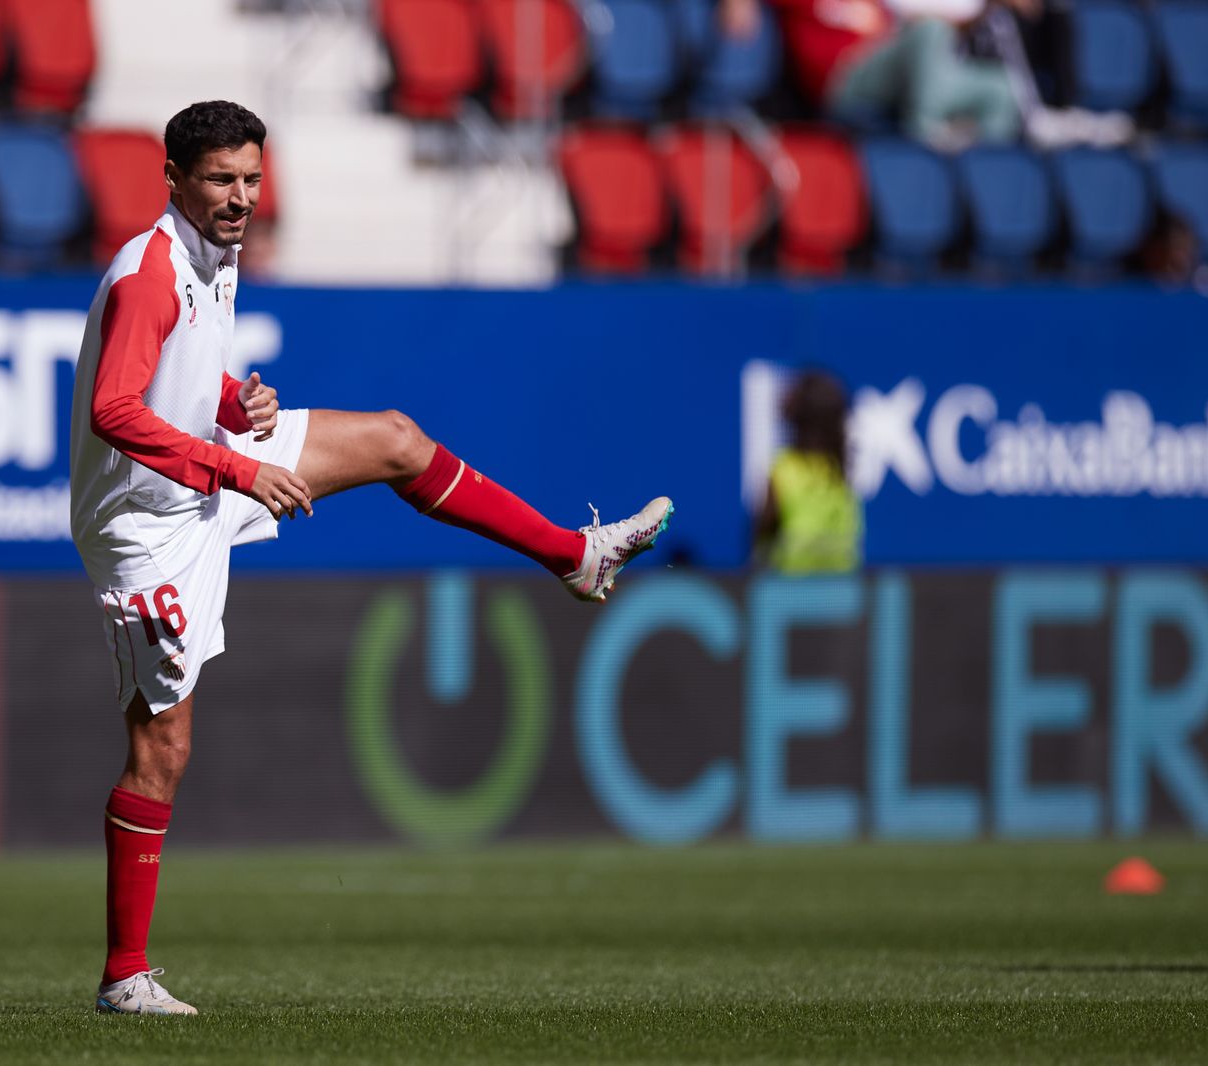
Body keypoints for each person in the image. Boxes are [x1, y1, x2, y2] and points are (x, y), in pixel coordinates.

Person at [71, 101, 673, 1016]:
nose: (240, 199)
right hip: (146, 529)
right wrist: (238, 465)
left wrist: (234, 402)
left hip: (201, 479)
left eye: (251, 180)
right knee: (163, 753)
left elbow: (174, 379)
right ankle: (125, 978)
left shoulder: (212, 257)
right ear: (174, 180)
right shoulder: (153, 272)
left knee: (396, 439)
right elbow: (114, 409)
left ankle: (575, 556)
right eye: (221, 181)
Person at [723, 0, 1021, 148]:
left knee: (1001, 87)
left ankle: (974, 159)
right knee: (929, 30)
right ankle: (926, 129)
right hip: (843, 80)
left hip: (889, 70)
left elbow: (903, 24)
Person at [751, 369, 861, 573]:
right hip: (843, 593)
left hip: (793, 595)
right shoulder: (841, 469)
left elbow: (762, 533)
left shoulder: (784, 468)